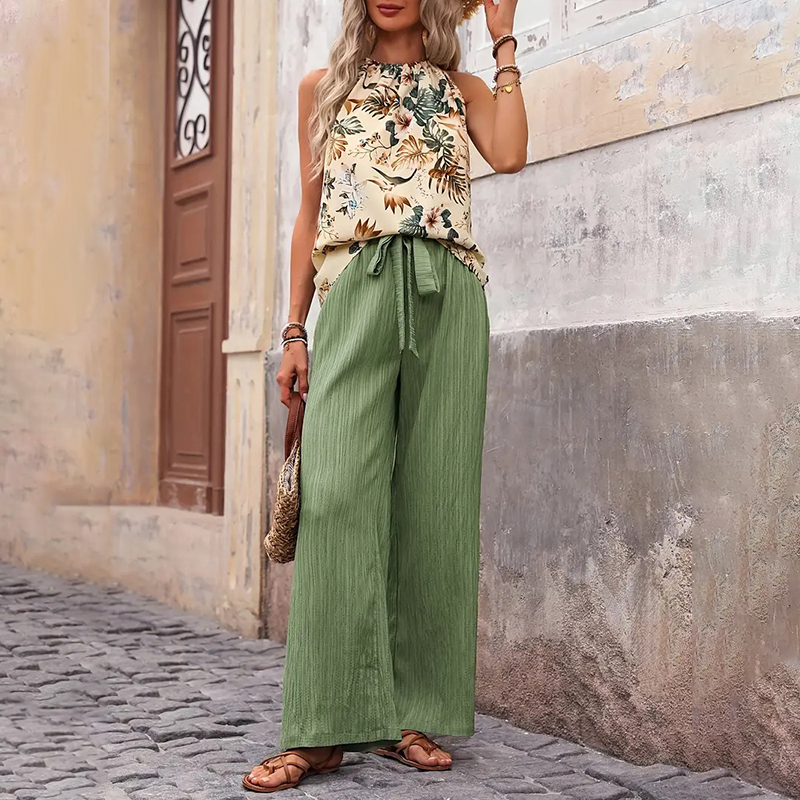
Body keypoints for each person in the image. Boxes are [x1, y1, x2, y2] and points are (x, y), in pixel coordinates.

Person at [244, 0, 527, 792]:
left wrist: (504, 40)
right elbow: (307, 217)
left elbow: (509, 154)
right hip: (356, 291)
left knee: (434, 502)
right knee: (336, 497)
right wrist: (294, 331)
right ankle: (321, 730)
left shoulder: (462, 88)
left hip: (448, 293)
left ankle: (409, 713)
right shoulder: (324, 88)